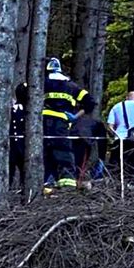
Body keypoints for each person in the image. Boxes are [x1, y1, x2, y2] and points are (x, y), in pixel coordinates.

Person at [41, 58, 94, 188]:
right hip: (62, 124)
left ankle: (45, 183)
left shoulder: (42, 83)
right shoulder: (72, 86)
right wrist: (75, 116)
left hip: (42, 123)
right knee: (63, 152)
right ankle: (67, 184)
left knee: (43, 153)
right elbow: (90, 102)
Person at [9, 82, 27, 188]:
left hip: (23, 146)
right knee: (10, 169)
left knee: (24, 170)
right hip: (11, 146)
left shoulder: (29, 111)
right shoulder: (11, 109)